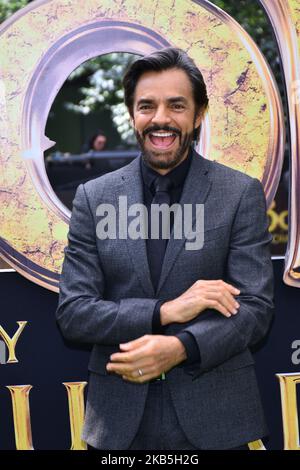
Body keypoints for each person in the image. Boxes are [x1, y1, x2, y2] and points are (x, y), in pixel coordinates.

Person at [55, 47, 274, 450]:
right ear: (132, 114)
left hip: (219, 422)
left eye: (176, 105)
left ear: (198, 114)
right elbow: (73, 313)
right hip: (119, 426)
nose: (160, 119)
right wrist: (164, 312)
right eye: (147, 106)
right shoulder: (94, 197)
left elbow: (256, 310)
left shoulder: (239, 193)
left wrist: (180, 348)